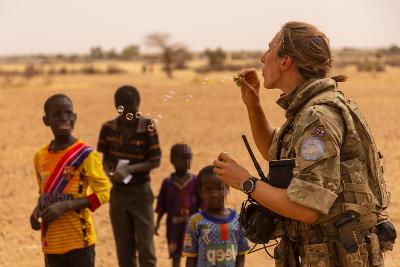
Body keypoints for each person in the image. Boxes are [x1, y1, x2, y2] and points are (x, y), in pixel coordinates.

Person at [213, 21, 394, 266]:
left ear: (286, 61)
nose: (262, 58)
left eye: (269, 50)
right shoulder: (308, 110)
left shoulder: (318, 116)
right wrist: (253, 104)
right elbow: (273, 151)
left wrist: (246, 182)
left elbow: (307, 209)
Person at [29, 94, 110, 267]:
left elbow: (104, 193)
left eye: (68, 113)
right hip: (51, 242)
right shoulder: (40, 157)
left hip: (80, 241)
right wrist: (37, 211)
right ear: (46, 120)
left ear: (74, 118)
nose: (64, 118)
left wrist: (67, 205)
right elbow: (45, 193)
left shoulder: (86, 154)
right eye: (56, 114)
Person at [97, 85, 161, 267]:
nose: (129, 115)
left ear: (138, 105)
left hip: (141, 195)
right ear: (117, 108)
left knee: (146, 250)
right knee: (124, 251)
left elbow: (155, 160)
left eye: (132, 110)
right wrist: (110, 173)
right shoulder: (107, 129)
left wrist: (129, 169)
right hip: (118, 195)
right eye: (124, 111)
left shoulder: (148, 126)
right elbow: (105, 160)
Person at [182, 165, 249, 267]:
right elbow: (191, 257)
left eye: (219, 188)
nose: (214, 194)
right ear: (200, 192)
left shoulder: (237, 219)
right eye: (208, 189)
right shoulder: (195, 221)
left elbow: (241, 253)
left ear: (227, 188)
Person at [155, 143, 201, 267]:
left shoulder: (196, 181)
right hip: (173, 225)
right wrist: (157, 223)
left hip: (192, 226)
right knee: (175, 255)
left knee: (193, 254)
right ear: (172, 160)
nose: (186, 162)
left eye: (189, 158)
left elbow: (203, 204)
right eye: (182, 158)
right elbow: (161, 205)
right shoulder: (167, 183)